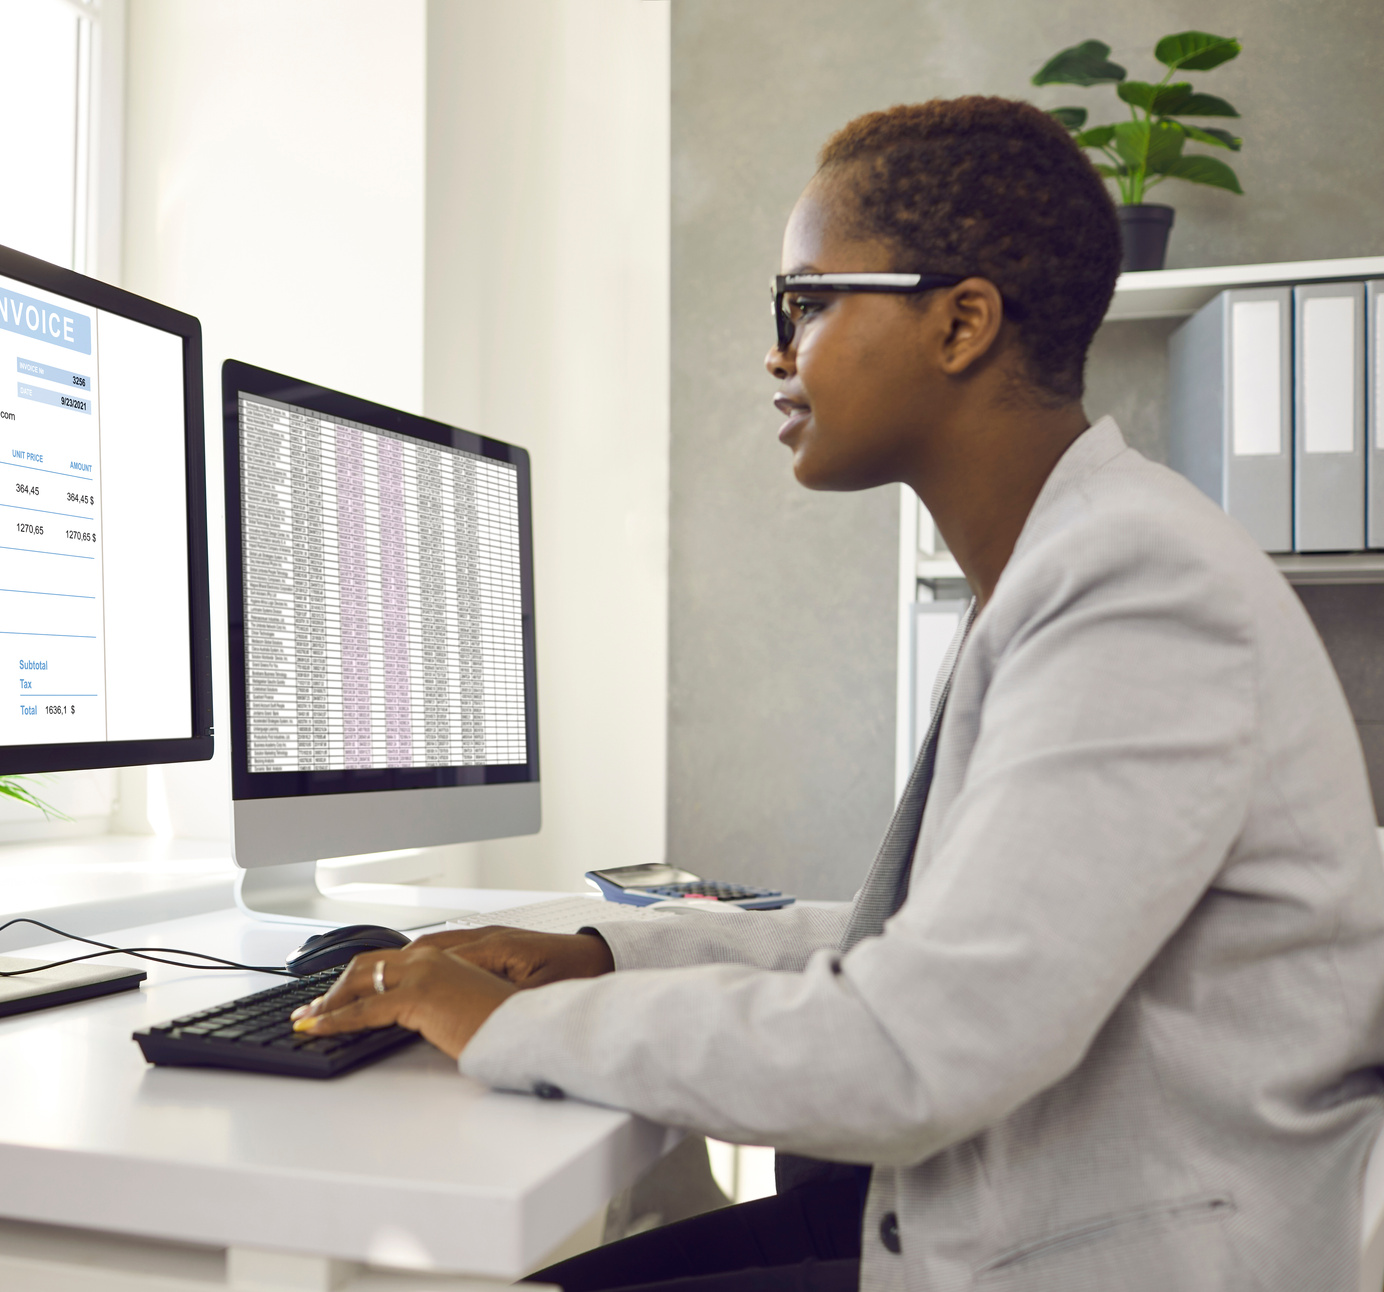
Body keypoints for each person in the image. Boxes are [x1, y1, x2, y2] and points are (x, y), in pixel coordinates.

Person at [290, 96, 1384, 1291]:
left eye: (805, 303)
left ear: (960, 321)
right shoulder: (1068, 562)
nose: (776, 350)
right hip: (1007, 1202)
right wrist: (603, 955)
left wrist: (496, 1023)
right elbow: (928, 945)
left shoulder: (1135, 589)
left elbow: (914, 1043)